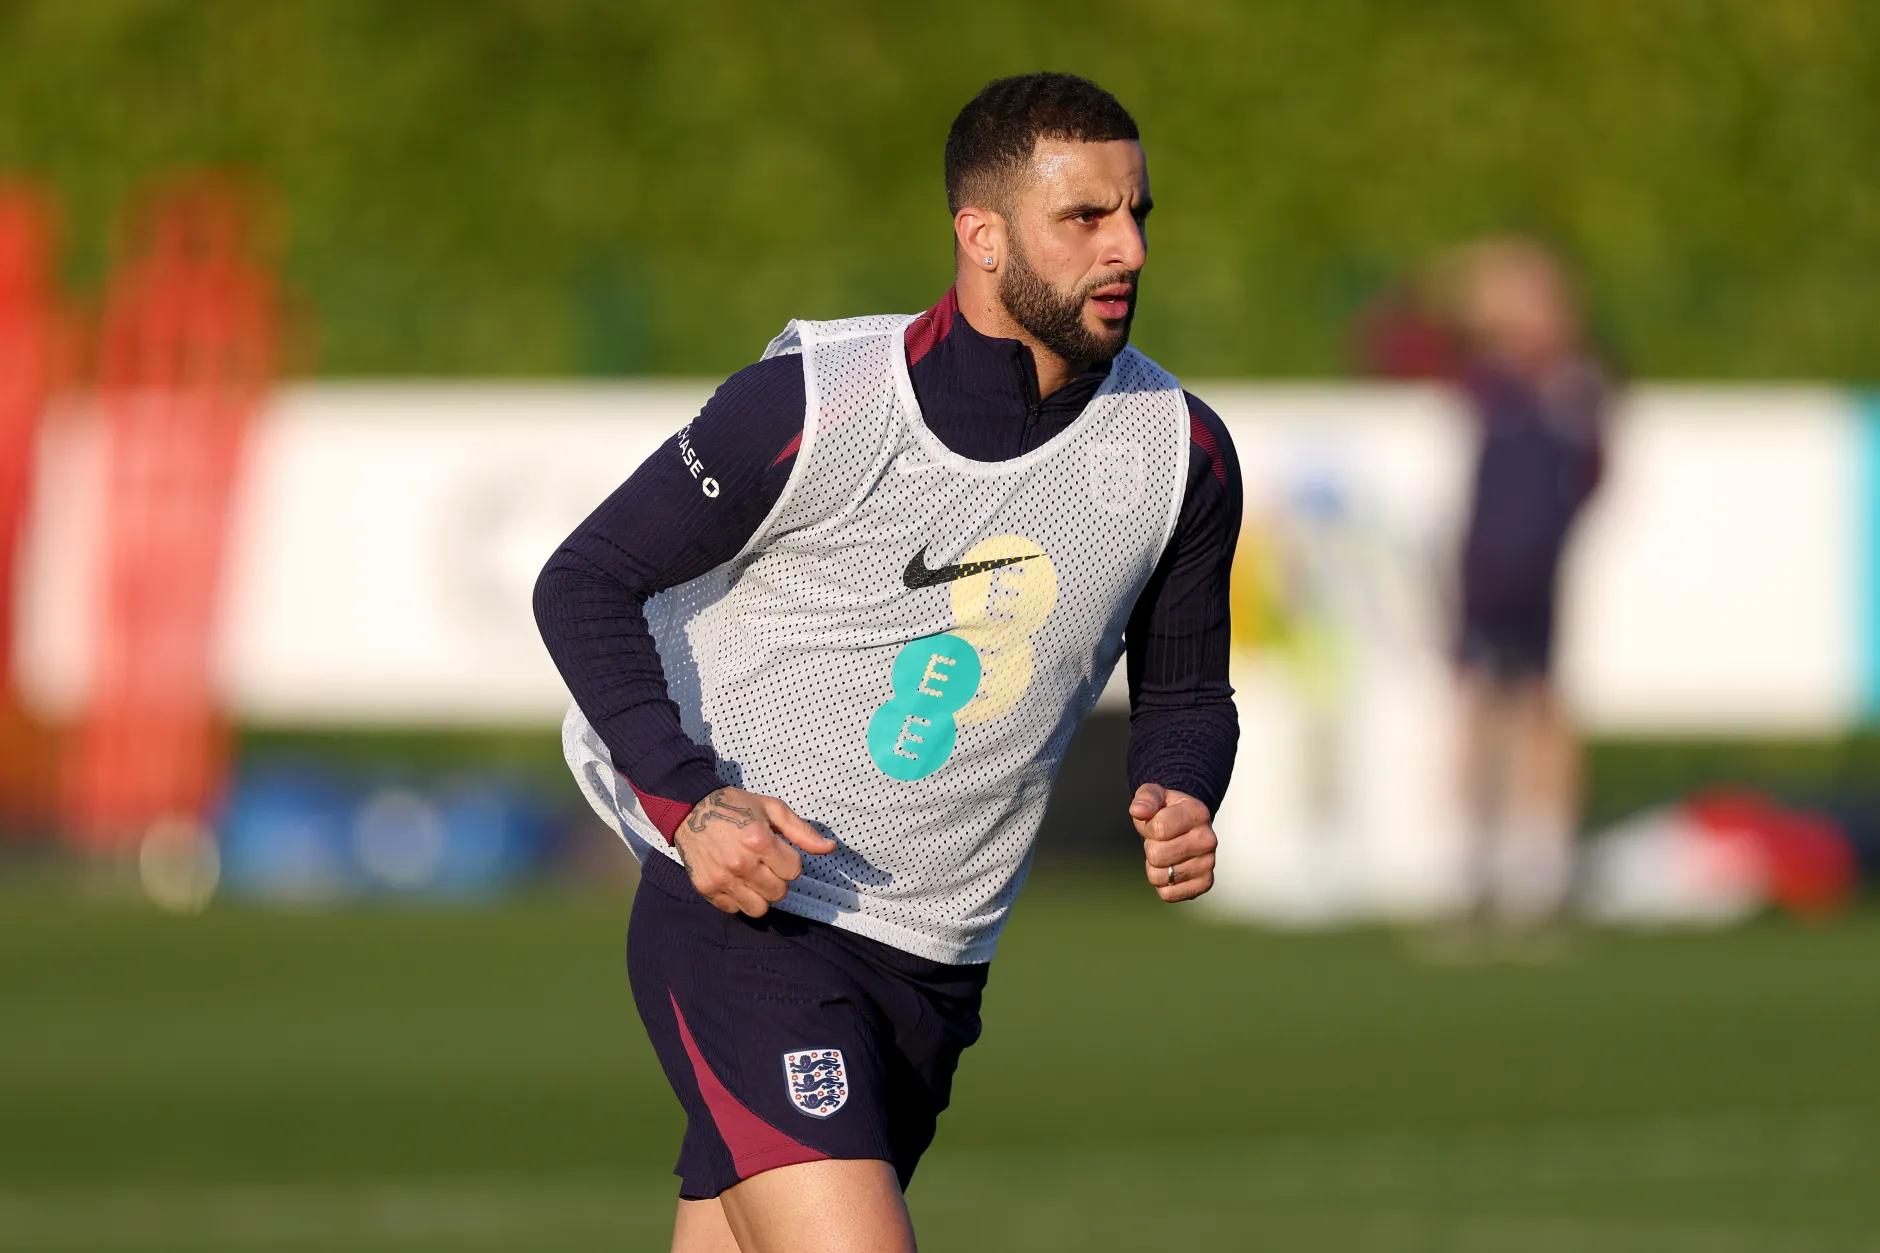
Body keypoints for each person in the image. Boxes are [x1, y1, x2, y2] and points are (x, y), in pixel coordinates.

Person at [535, 72, 1240, 1252]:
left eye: (1136, 213)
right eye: (1083, 218)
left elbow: (1187, 689)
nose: (1126, 248)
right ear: (980, 235)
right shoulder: (815, 406)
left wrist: (1181, 783)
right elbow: (584, 580)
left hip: (936, 965)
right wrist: (691, 801)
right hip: (750, 919)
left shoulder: (1180, 452)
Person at [1445, 237, 1607, 938]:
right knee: (1481, 706)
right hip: (1486, 572)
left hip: (1541, 571)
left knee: (1543, 707)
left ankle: (1541, 870)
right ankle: (1473, 866)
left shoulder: (1576, 384)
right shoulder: (1488, 379)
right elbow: (1406, 333)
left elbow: (1595, 471)